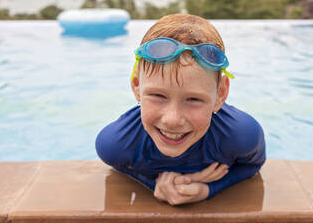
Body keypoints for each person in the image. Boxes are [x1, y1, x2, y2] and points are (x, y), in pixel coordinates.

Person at [96, 14, 266, 205]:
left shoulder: (242, 135)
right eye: (158, 96)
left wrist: (207, 189)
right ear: (136, 85)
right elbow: (117, 165)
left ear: (220, 94)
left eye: (193, 99)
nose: (172, 120)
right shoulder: (115, 144)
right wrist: (156, 184)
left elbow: (253, 164)